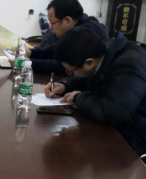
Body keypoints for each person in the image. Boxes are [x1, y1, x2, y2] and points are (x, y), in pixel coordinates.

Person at [46, 27, 146, 157]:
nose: (71, 74)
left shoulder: (129, 65)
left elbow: (113, 112)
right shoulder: (105, 54)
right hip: (116, 129)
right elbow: (93, 77)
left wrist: (78, 97)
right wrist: (65, 85)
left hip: (134, 139)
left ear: (89, 63)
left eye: (71, 71)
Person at [24, 0, 109, 73]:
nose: (50, 27)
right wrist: (31, 52)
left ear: (67, 21)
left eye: (52, 22)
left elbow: (68, 65)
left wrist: (28, 63)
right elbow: (55, 50)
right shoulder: (78, 25)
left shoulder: (86, 32)